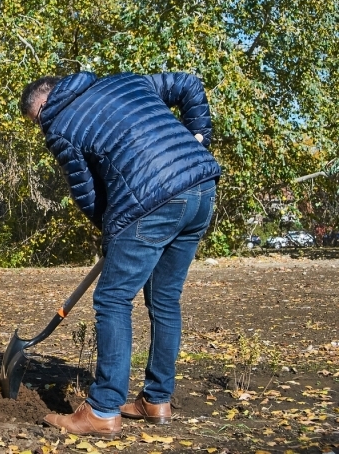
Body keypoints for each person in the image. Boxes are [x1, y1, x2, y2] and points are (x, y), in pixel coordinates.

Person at [20, 71, 220, 438]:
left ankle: (103, 409)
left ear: (42, 105)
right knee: (164, 298)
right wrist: (198, 139)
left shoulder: (59, 124)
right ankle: (156, 400)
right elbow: (190, 85)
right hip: (201, 188)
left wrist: (112, 232)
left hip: (153, 203)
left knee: (112, 299)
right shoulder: (127, 81)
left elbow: (89, 195)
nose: (41, 128)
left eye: (36, 121)